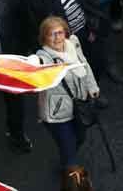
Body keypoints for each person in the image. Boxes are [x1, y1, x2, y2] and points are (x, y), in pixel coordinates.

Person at [34, 16, 99, 171]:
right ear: (44, 38)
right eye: (51, 34)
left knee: (80, 137)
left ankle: (66, 157)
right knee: (70, 153)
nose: (57, 38)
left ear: (65, 33)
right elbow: (35, 63)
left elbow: (84, 64)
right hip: (56, 114)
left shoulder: (73, 44)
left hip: (78, 105)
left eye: (60, 33)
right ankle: (71, 176)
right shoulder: (43, 57)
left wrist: (92, 87)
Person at [0, 0, 32, 152]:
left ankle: (17, 135)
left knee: (14, 101)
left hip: (8, 63)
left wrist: (25, 53)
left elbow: (24, 23)